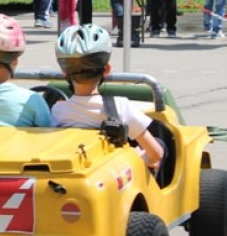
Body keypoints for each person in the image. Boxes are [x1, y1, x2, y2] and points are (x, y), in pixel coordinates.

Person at [52, 24, 164, 170]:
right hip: (115, 174)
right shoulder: (120, 106)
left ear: (64, 73)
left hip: (77, 169)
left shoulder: (58, 111)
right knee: (161, 145)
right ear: (106, 69)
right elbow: (156, 153)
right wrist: (138, 156)